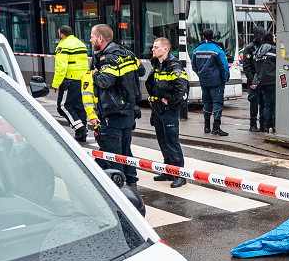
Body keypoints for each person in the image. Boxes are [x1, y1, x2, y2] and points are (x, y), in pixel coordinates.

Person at [90, 23, 142, 188]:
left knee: (113, 154)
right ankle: (132, 182)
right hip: (128, 110)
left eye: (92, 36)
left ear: (100, 38)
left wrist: (95, 73)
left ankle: (118, 188)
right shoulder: (127, 53)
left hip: (113, 112)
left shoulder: (109, 58)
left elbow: (105, 81)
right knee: (126, 150)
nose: (90, 40)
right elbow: (140, 70)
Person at [145, 37, 188, 188]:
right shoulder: (157, 63)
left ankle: (179, 175)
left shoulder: (173, 65)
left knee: (172, 142)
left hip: (169, 110)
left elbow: (182, 86)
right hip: (158, 109)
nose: (153, 49)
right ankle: (168, 170)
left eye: (156, 47)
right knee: (163, 142)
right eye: (153, 47)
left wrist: (170, 101)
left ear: (165, 49)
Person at [51, 25, 90, 142]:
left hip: (70, 80)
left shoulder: (63, 45)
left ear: (62, 34)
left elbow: (61, 67)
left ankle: (80, 128)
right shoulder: (80, 43)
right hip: (81, 80)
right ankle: (81, 135)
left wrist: (56, 83)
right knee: (79, 107)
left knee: (62, 106)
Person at [192, 29, 229, 136]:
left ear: (203, 37)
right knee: (217, 103)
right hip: (216, 82)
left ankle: (206, 127)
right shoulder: (217, 50)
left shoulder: (196, 50)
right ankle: (216, 128)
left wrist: (201, 75)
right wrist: (224, 79)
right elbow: (224, 66)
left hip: (204, 82)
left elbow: (194, 66)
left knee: (207, 103)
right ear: (213, 36)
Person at [252, 30, 277, 132]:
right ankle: (275, 125)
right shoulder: (274, 50)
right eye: (274, 38)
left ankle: (268, 125)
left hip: (262, 81)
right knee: (276, 104)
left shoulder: (257, 51)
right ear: (271, 39)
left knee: (267, 104)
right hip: (273, 80)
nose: (275, 40)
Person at [242, 26, 265, 131]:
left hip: (263, 80)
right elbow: (247, 66)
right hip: (254, 81)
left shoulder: (265, 46)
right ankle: (253, 124)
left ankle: (263, 124)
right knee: (254, 103)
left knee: (264, 103)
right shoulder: (249, 48)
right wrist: (251, 81)